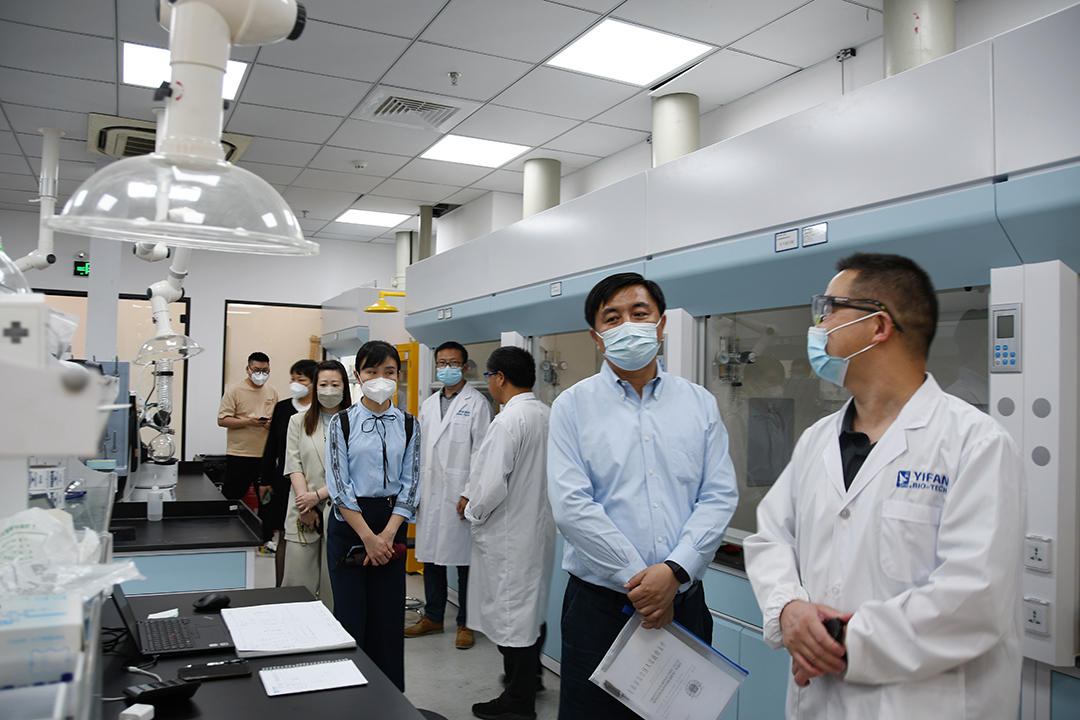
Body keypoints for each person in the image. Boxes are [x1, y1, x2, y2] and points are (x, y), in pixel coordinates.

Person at [744, 253, 1024, 719]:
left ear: (878, 326)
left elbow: (974, 599)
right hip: (818, 703)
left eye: (829, 309)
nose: (818, 325)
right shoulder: (817, 440)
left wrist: (836, 641)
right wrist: (789, 608)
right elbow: (772, 538)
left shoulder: (975, 444)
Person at [547, 272, 739, 720]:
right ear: (597, 337)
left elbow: (718, 495)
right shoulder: (572, 407)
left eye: (639, 313)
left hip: (683, 603)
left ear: (661, 324)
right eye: (612, 318)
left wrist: (674, 573)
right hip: (600, 609)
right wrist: (644, 584)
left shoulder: (699, 403)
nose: (628, 325)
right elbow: (572, 507)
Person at [464, 346, 554, 720]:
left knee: (512, 615)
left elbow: (490, 486)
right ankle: (531, 678)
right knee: (531, 609)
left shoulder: (507, 421)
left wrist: (472, 512)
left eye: (488, 376)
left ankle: (518, 701)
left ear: (499, 378)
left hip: (509, 533)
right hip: (538, 531)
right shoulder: (547, 414)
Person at [325, 341, 420, 692]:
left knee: (388, 620)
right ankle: (351, 699)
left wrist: (388, 535)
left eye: (389, 372)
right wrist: (368, 537)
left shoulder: (409, 424)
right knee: (351, 618)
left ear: (398, 375)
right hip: (351, 525)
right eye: (371, 371)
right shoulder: (342, 423)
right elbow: (339, 485)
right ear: (357, 375)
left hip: (392, 522)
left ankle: (389, 699)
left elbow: (411, 482)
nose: (380, 378)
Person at [408, 341, 492, 649]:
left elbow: (483, 453)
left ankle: (466, 623)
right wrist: (415, 491)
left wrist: (470, 493)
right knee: (432, 558)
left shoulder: (477, 403)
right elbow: (419, 451)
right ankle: (433, 617)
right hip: (431, 494)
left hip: (460, 496)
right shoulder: (429, 404)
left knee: (465, 563)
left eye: (453, 363)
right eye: (442, 363)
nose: (447, 368)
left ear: (465, 367)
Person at [282, 360, 351, 610]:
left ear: (345, 387)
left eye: (335, 384)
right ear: (315, 387)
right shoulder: (298, 421)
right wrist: (306, 505)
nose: (329, 389)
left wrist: (318, 496)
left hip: (342, 512)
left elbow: (355, 473)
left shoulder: (356, 422)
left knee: (335, 587)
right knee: (298, 585)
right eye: (323, 384)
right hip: (303, 511)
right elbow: (294, 465)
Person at [259, 359, 318, 582]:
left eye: (301, 379)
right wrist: (265, 479)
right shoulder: (283, 408)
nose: (295, 384)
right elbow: (272, 446)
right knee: (284, 534)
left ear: (313, 382)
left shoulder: (320, 409)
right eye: (293, 379)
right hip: (285, 479)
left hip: (316, 480)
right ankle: (280, 587)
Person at [217, 352, 278, 501]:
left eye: (265, 371)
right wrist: (248, 422)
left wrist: (272, 425)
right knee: (233, 498)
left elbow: (278, 420)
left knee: (267, 501)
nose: (261, 374)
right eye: (256, 370)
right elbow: (222, 420)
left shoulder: (272, 391)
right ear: (248, 369)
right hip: (239, 455)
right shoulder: (234, 390)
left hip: (265, 455)